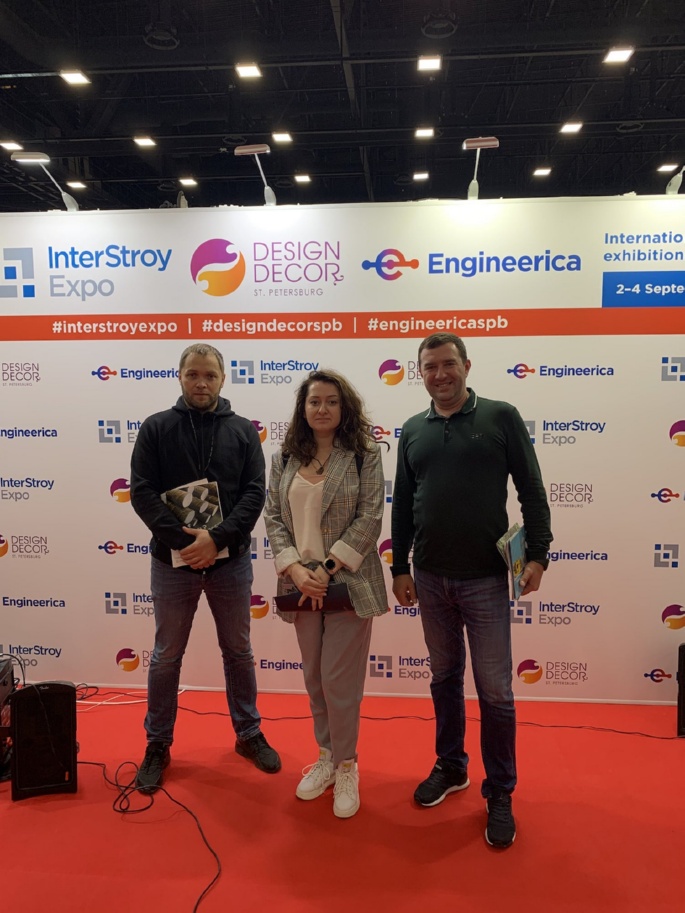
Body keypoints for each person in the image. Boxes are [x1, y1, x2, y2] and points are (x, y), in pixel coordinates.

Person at [391, 333, 552, 848]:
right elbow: (403, 506)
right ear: (420, 372)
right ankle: (451, 765)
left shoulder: (501, 416)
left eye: (448, 364)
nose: (439, 374)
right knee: (443, 677)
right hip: (429, 577)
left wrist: (539, 556)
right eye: (429, 367)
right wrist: (399, 567)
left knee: (496, 692)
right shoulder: (413, 429)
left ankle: (500, 791)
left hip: (485, 578)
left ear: (466, 365)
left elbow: (532, 490)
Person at [130, 343, 280, 793]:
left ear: (222, 379)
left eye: (210, 375)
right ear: (179, 376)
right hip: (172, 563)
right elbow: (142, 492)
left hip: (229, 563)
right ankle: (157, 744)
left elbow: (255, 493)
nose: (201, 383)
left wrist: (216, 540)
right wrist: (186, 544)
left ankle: (248, 733)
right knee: (165, 656)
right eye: (193, 374)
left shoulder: (243, 431)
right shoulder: (156, 428)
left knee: (239, 652)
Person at [264, 369, 388, 818]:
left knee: (339, 680)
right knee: (315, 677)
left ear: (344, 407)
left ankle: (347, 765)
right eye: (314, 401)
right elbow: (273, 517)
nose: (322, 409)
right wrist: (297, 570)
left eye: (331, 401)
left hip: (347, 584)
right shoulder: (283, 458)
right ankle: (326, 758)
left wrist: (327, 568)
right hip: (299, 585)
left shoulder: (363, 454)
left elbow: (370, 517)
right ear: (303, 408)